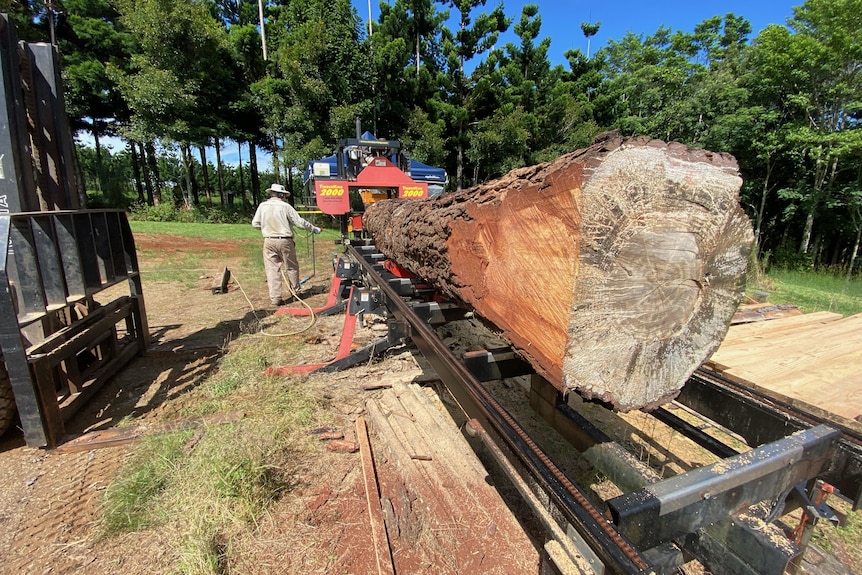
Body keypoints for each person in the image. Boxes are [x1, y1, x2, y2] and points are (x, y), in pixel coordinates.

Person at [252, 183, 322, 306]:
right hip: (285, 240)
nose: (285, 197)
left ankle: (275, 299)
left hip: (268, 240)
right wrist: (314, 229)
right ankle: (296, 293)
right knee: (291, 267)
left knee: (272, 270)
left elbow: (255, 224)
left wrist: (267, 228)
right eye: (284, 195)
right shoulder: (285, 207)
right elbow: (300, 223)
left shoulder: (262, 206)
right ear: (280, 195)